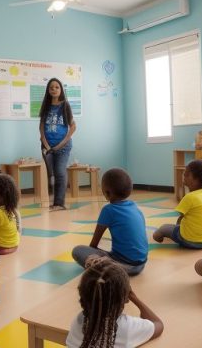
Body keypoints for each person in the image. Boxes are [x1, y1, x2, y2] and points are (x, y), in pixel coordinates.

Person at [65, 256, 163, 348]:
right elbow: (158, 324)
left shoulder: (78, 321)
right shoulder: (127, 327)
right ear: (125, 298)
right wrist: (133, 296)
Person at [71, 169, 148, 276]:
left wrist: (95, 253)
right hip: (141, 264)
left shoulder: (108, 210)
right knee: (110, 244)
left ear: (107, 193)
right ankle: (111, 264)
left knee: (77, 250)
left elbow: (93, 244)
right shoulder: (135, 207)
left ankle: (109, 268)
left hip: (125, 265)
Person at [152, 160, 202, 249]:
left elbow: (180, 216)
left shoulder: (190, 197)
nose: (183, 176)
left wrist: (177, 229)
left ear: (196, 180)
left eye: (186, 174)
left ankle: (157, 236)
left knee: (164, 228)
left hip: (190, 241)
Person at [39, 77, 77, 211]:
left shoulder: (65, 105)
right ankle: (55, 202)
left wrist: (61, 144)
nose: (54, 89)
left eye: (57, 87)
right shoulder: (46, 106)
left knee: (60, 172)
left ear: (61, 90)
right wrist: (46, 145)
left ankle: (59, 204)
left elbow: (73, 126)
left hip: (63, 147)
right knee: (52, 174)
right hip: (47, 147)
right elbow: (42, 127)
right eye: (51, 88)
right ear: (48, 91)